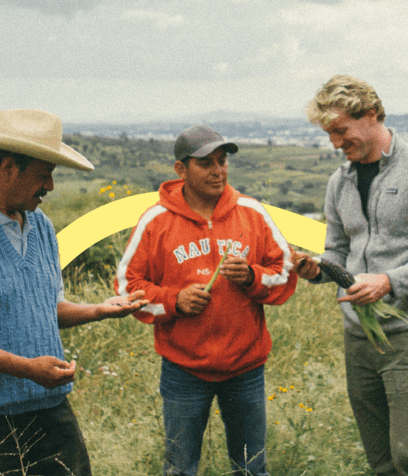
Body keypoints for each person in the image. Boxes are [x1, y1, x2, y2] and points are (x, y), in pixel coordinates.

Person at [0, 108, 149, 476]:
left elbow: (46, 307)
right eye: (44, 175)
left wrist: (99, 310)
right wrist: (26, 369)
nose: (51, 186)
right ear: (9, 168)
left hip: (49, 417)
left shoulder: (40, 227)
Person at [291, 75, 408, 476]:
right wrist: (317, 268)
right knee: (382, 462)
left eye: (341, 131)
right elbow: (339, 249)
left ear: (371, 115)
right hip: (360, 340)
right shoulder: (340, 182)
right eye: (329, 134)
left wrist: (388, 282)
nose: (336, 143)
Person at [115, 124, 298, 476]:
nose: (218, 171)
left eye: (222, 161)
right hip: (184, 369)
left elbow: (286, 269)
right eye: (206, 163)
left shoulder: (252, 213)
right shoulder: (156, 221)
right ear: (181, 170)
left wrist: (252, 277)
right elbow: (127, 286)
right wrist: (174, 301)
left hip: (245, 368)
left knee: (251, 468)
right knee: (181, 469)